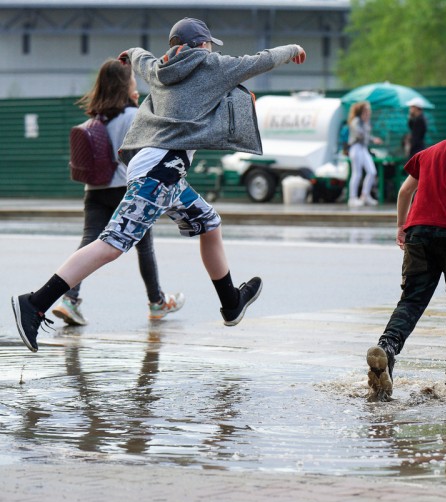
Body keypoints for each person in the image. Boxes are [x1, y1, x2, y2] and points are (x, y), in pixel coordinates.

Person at [11, 17, 307, 352]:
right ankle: (35, 303)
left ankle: (231, 302)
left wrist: (131, 53)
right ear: (202, 44)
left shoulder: (160, 69)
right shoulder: (213, 65)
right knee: (112, 244)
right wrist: (293, 49)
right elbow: (260, 59)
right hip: (160, 171)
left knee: (209, 223)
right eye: (209, 43)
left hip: (161, 168)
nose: (211, 49)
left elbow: (140, 58)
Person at [366, 105, 446, 401]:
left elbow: (404, 192)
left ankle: (387, 349)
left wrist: (402, 227)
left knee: (412, 300)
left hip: (418, 234)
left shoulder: (427, 153)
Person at [52, 58, 185, 327]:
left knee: (89, 243)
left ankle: (69, 299)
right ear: (126, 86)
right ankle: (157, 303)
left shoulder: (96, 118)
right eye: (133, 82)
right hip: (126, 189)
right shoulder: (133, 116)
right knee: (144, 247)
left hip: (95, 191)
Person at [346, 101, 383, 208]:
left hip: (363, 148)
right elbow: (359, 134)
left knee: (372, 172)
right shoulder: (356, 121)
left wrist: (373, 139)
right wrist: (365, 123)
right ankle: (352, 198)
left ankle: (365, 195)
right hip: (356, 148)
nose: (368, 112)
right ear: (361, 111)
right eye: (366, 110)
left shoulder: (365, 122)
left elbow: (367, 136)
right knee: (357, 173)